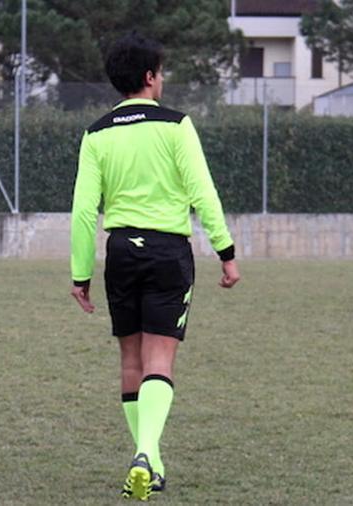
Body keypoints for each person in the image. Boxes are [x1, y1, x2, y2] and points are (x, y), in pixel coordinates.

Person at [69, 33, 240, 501]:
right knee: (160, 360)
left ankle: (151, 460)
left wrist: (80, 274)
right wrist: (225, 253)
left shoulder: (97, 133)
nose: (162, 79)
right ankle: (146, 455)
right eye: (160, 72)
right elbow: (204, 194)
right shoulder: (177, 125)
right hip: (168, 252)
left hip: (121, 251)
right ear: (149, 77)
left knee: (131, 360)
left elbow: (85, 211)